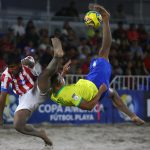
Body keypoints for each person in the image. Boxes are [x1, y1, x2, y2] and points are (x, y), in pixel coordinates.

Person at [47, 4, 145, 125]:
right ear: (57, 83)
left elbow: (55, 83)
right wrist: (100, 91)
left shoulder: (53, 95)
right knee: (104, 52)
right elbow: (89, 107)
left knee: (113, 93)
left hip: (90, 82)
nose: (63, 78)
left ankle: (133, 116)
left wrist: (63, 73)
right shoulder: (70, 95)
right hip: (95, 85)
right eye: (61, 78)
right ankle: (106, 19)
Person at [0, 37, 64, 146]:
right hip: (25, 98)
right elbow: (2, 97)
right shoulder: (6, 75)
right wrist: (0, 117)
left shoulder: (26, 61)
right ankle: (41, 134)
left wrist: (27, 62)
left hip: (37, 87)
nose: (11, 70)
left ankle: (57, 56)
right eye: (9, 67)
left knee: (45, 74)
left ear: (19, 64)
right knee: (17, 125)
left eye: (13, 67)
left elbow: (30, 62)